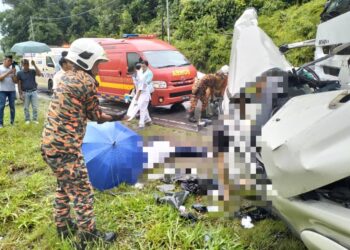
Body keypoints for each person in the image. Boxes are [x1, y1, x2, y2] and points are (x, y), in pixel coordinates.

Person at [41, 38, 126, 245]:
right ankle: (88, 236)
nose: (98, 69)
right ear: (87, 61)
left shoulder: (67, 77)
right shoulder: (85, 81)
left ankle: (63, 226)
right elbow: (95, 114)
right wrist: (118, 116)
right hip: (66, 148)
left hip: (50, 144)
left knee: (64, 185)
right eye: (97, 64)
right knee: (82, 191)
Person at [17, 59, 42, 124]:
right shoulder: (19, 73)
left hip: (34, 91)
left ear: (29, 64)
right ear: (22, 65)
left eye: (27, 64)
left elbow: (39, 74)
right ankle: (27, 119)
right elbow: (19, 84)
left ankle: (35, 119)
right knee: (26, 107)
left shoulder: (33, 71)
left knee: (35, 107)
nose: (26, 65)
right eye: (24, 64)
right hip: (25, 92)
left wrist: (35, 65)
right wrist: (20, 94)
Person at [134, 60, 153, 128]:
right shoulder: (140, 75)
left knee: (142, 109)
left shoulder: (148, 74)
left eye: (143, 66)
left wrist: (136, 99)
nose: (142, 68)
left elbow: (142, 87)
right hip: (142, 94)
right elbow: (138, 87)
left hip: (145, 94)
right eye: (142, 66)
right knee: (144, 108)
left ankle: (141, 124)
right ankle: (148, 120)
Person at [0, 55, 17, 128]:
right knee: (1, 106)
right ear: (4, 60)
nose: (10, 63)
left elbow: (15, 81)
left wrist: (13, 74)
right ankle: (0, 123)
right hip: (2, 90)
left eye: (11, 61)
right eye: (8, 61)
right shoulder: (0, 68)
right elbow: (0, 78)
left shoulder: (12, 69)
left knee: (12, 106)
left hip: (12, 90)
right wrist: (8, 72)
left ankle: (12, 122)